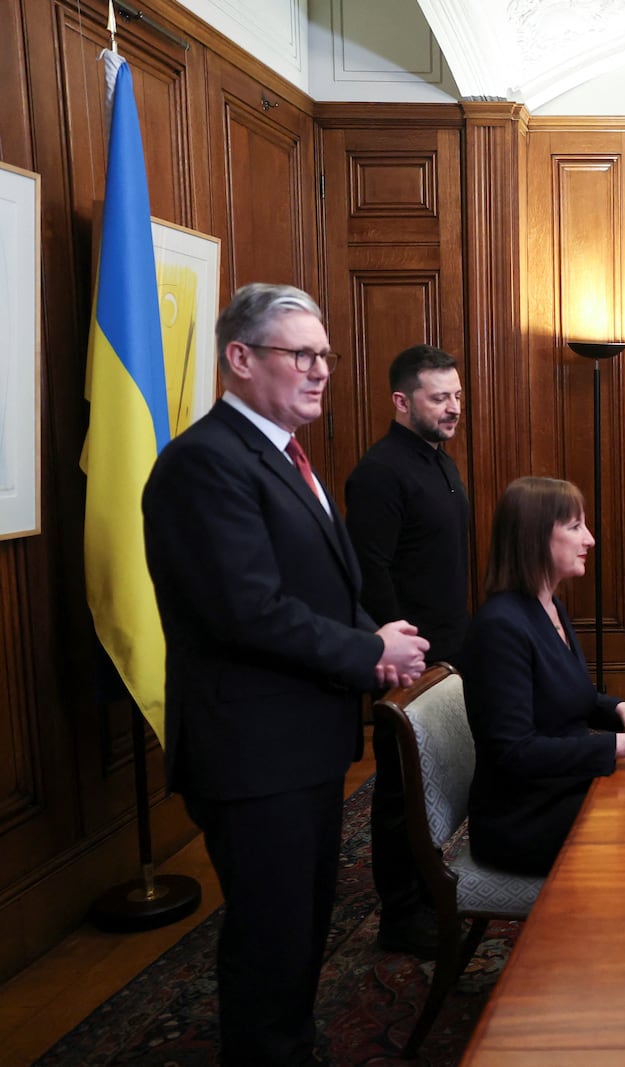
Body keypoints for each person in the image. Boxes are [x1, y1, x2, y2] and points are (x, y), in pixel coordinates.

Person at [143, 283, 429, 1066]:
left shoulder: (281, 455)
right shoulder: (203, 464)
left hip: (299, 743)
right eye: (299, 354)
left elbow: (306, 591)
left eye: (325, 355)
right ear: (239, 359)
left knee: (300, 923)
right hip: (251, 751)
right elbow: (248, 611)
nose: (320, 371)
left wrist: (368, 628)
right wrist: (370, 653)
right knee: (271, 938)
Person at [459, 476, 625, 875]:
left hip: (564, 787)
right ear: (534, 537)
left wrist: (620, 707)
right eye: (575, 527)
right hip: (525, 819)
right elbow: (514, 753)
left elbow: (567, 698)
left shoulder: (550, 607)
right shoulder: (499, 627)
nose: (590, 540)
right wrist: (624, 747)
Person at [344, 344, 469, 958]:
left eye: (456, 395)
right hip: (405, 663)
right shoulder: (379, 473)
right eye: (438, 397)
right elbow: (372, 576)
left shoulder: (439, 461)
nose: (452, 408)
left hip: (445, 655)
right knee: (399, 793)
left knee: (432, 787)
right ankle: (401, 915)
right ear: (402, 402)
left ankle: (428, 888)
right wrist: (402, 658)